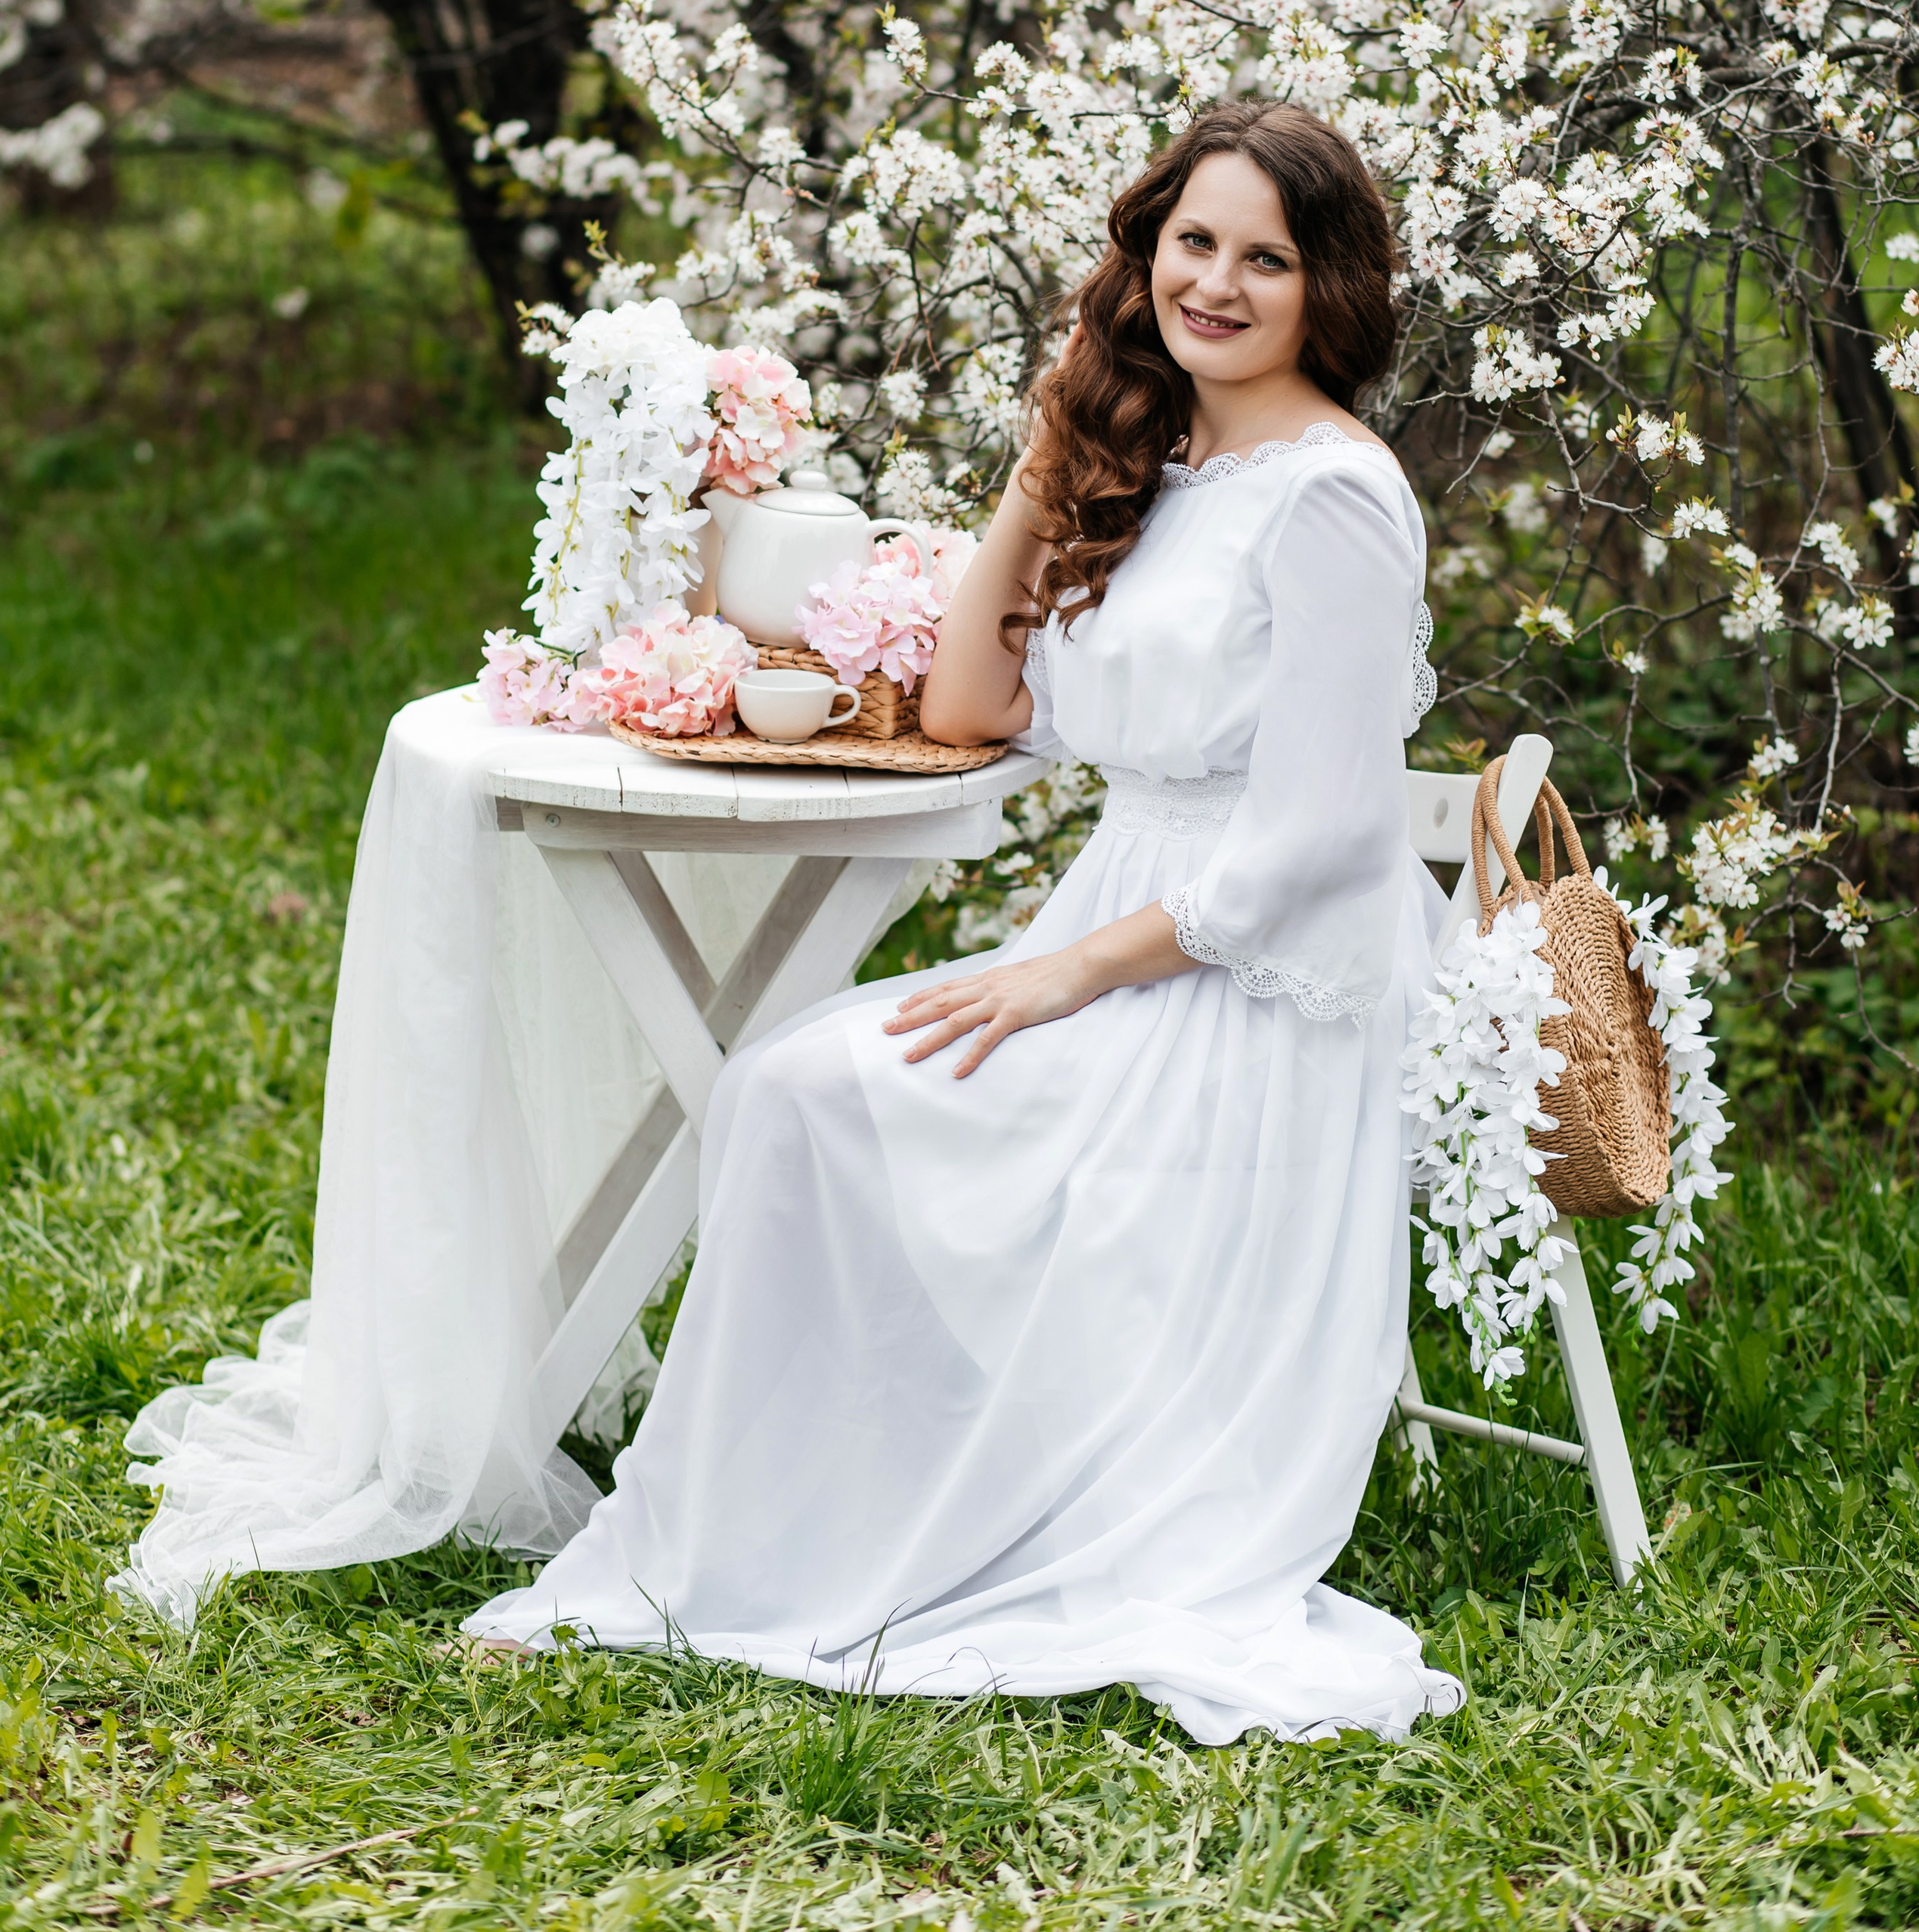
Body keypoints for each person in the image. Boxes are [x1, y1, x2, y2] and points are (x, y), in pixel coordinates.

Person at [461, 100, 1463, 1744]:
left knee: (814, 1089)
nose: (1214, 285)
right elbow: (969, 703)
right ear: (1144, 256)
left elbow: (1325, 835)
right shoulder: (1166, 470)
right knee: (790, 1089)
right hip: (1117, 929)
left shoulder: (1333, 498)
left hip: (1248, 979)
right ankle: (740, 1536)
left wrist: (1065, 976)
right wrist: (1050, 460)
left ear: (1326, 288)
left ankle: (837, 1528)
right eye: (1190, 243)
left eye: (1264, 259)